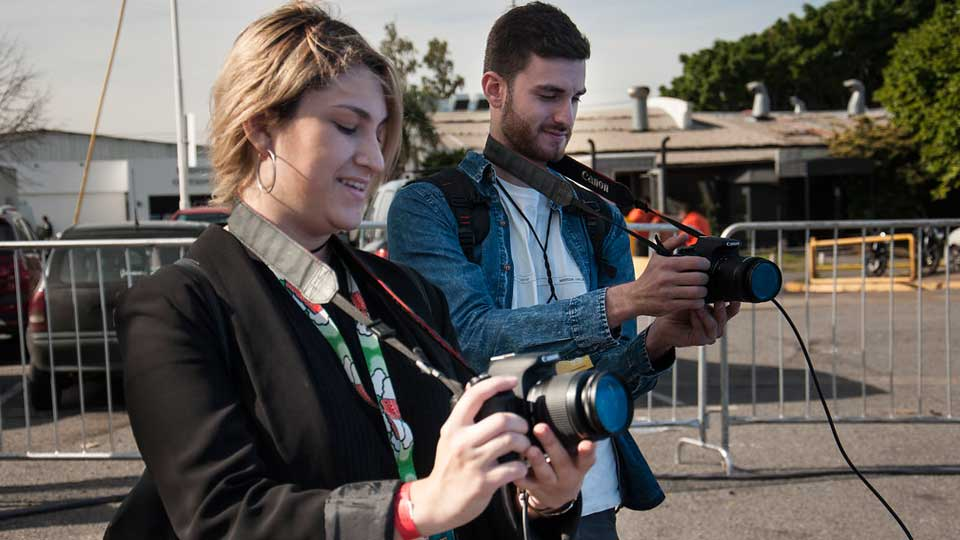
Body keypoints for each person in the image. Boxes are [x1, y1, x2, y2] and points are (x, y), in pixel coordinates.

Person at [104, 3, 593, 539]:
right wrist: (411, 508)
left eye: (379, 132)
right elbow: (222, 517)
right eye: (347, 127)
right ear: (261, 128)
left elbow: (468, 499)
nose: (375, 158)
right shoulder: (176, 308)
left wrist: (545, 503)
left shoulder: (409, 296)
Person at [387, 3, 740, 539]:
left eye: (574, 98)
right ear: (495, 88)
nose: (565, 117)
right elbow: (468, 339)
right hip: (482, 504)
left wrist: (659, 341)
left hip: (592, 497)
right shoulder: (428, 206)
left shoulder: (597, 214)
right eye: (548, 95)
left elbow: (607, 379)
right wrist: (625, 300)